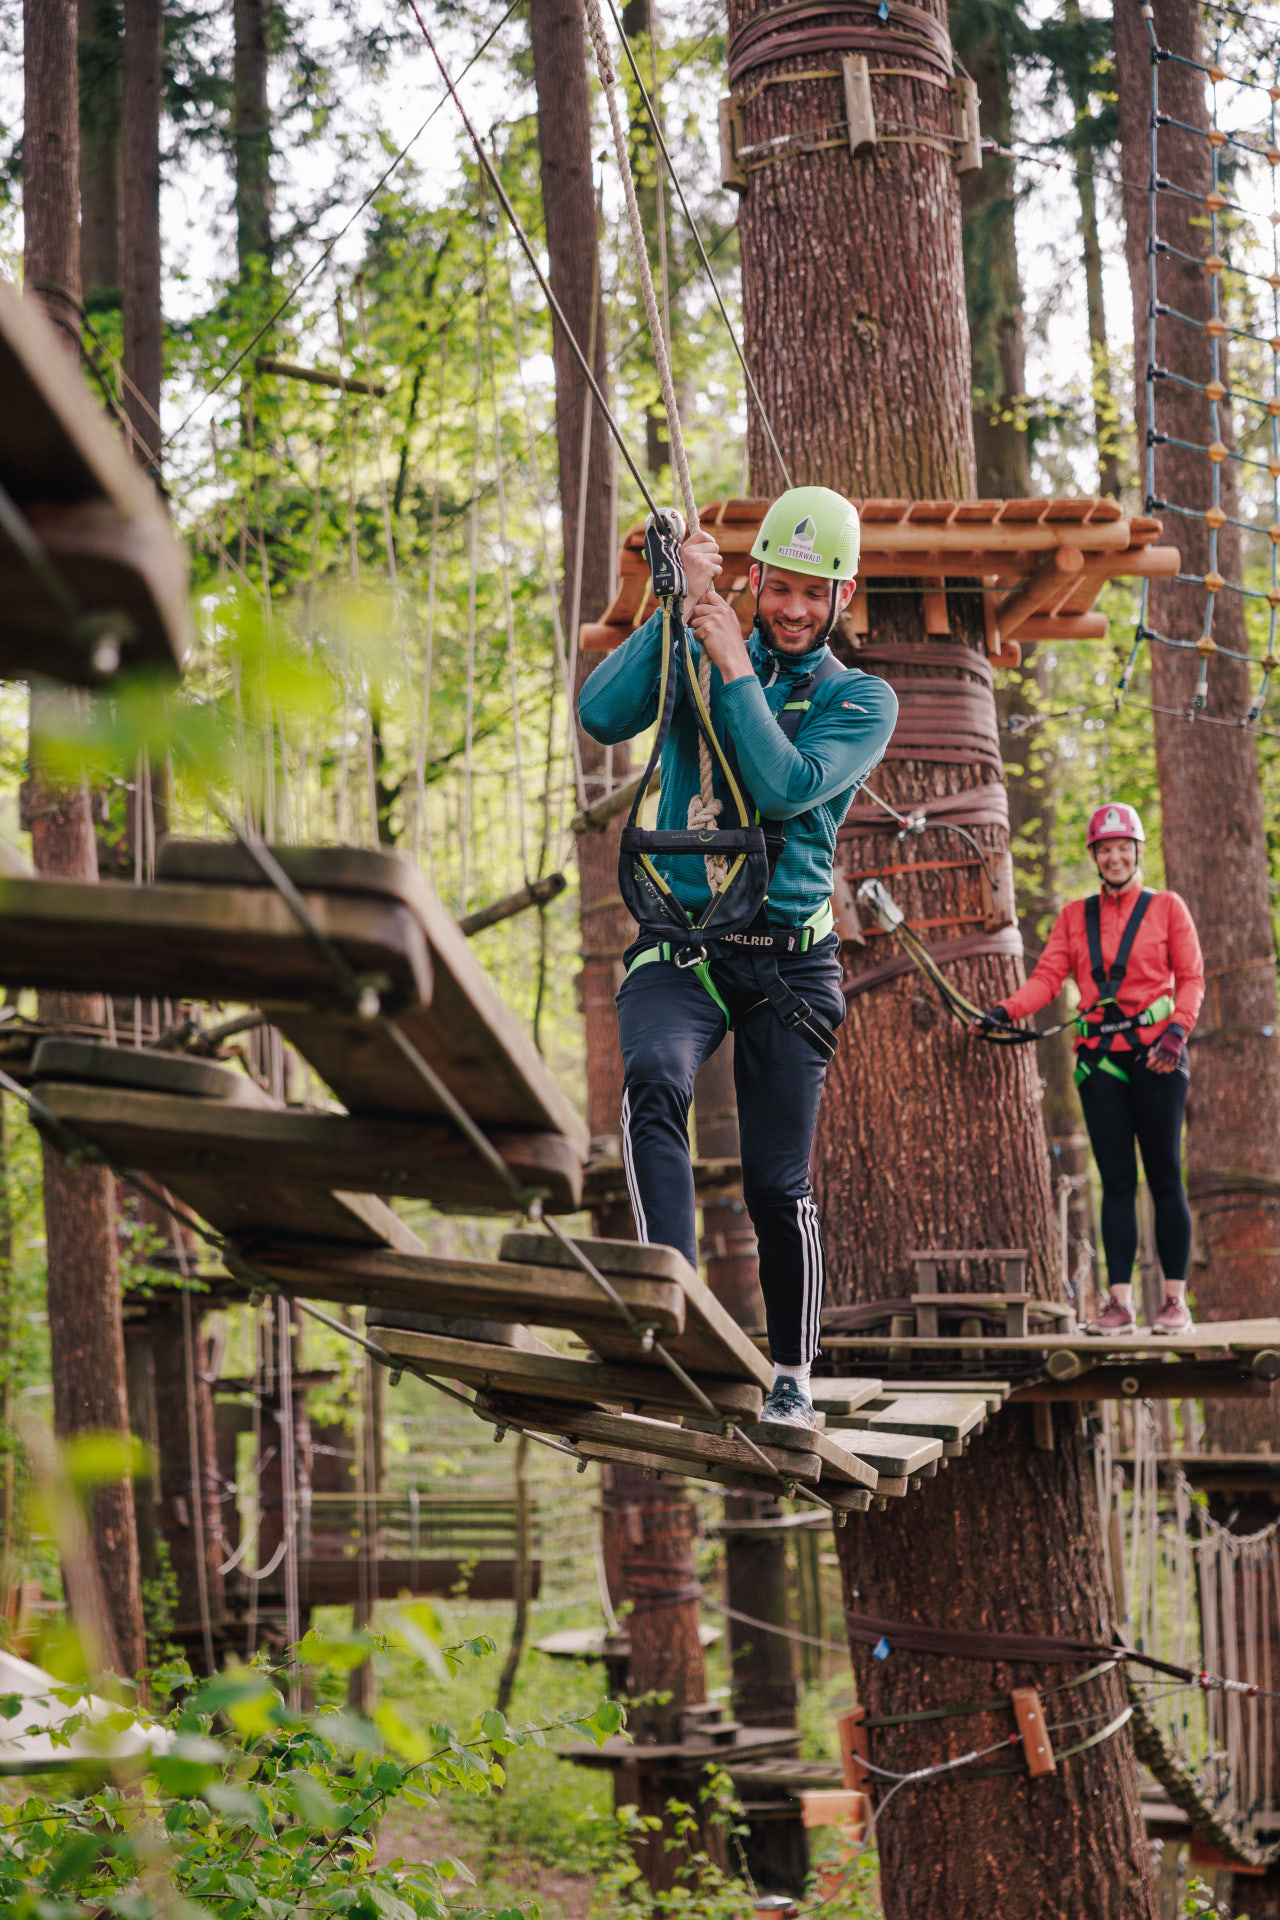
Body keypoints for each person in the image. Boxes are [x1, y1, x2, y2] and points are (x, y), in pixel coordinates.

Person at [578, 488, 898, 1428]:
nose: (793, 609)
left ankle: (792, 1370)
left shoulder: (858, 699)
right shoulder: (702, 631)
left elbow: (783, 784)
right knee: (651, 1077)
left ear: (842, 598)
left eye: (814, 593)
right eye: (780, 587)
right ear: (756, 578)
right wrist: (674, 609)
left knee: (774, 1181)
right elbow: (602, 716)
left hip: (790, 970)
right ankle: (669, 1304)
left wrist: (730, 663)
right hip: (684, 942)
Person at [974, 803, 1205, 1335]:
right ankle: (1120, 1305)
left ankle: (1174, 1302)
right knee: (1117, 1179)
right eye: (1106, 850)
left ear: (1137, 852)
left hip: (1159, 1053)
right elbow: (1048, 979)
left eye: (1124, 847)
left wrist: (1177, 1031)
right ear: (1096, 857)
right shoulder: (1074, 918)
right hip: (1100, 1060)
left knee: (1165, 1175)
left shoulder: (1168, 908)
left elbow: (1191, 977)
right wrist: (1005, 1012)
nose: (1116, 856)